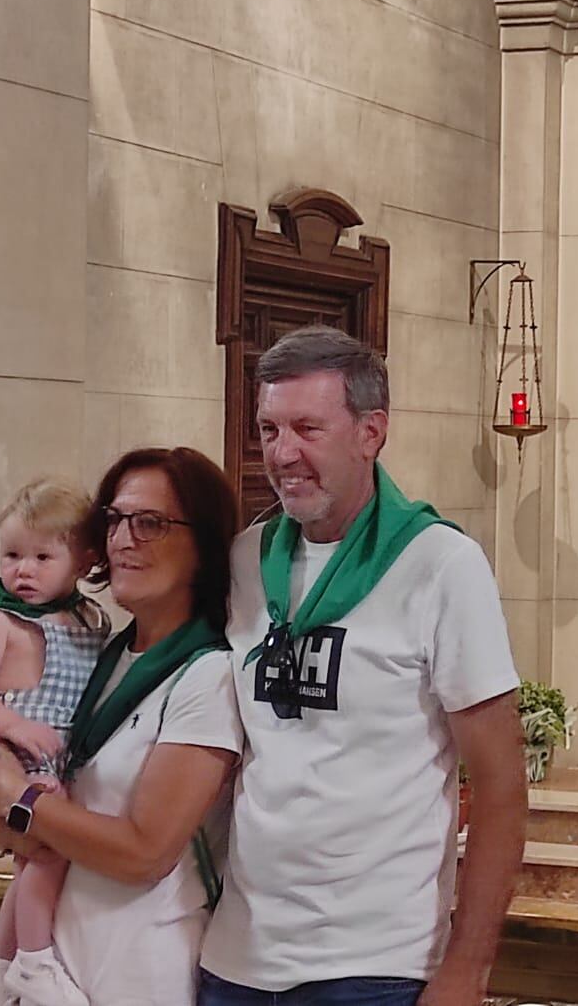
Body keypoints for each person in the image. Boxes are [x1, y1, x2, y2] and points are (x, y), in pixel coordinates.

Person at [197, 325, 527, 1006]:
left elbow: (499, 784)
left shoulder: (439, 564)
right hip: (239, 957)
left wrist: (468, 970)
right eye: (268, 429)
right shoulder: (246, 557)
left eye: (307, 428)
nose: (282, 454)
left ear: (371, 431)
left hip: (376, 963)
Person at [0, 447, 245, 1006]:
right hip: (58, 965)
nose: (122, 539)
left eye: (150, 523)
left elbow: (144, 853)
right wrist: (1, 812)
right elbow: (29, 816)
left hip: (139, 967)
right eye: (113, 520)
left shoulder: (208, 675)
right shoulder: (107, 654)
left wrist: (20, 800)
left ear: (203, 547)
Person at [0, 478, 110, 1006]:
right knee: (49, 846)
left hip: (50, 758)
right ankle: (35, 960)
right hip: (4, 751)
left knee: (33, 860)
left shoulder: (90, 622)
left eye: (43, 556)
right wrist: (15, 728)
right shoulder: (0, 620)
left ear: (84, 560)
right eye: (13, 554)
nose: (24, 569)